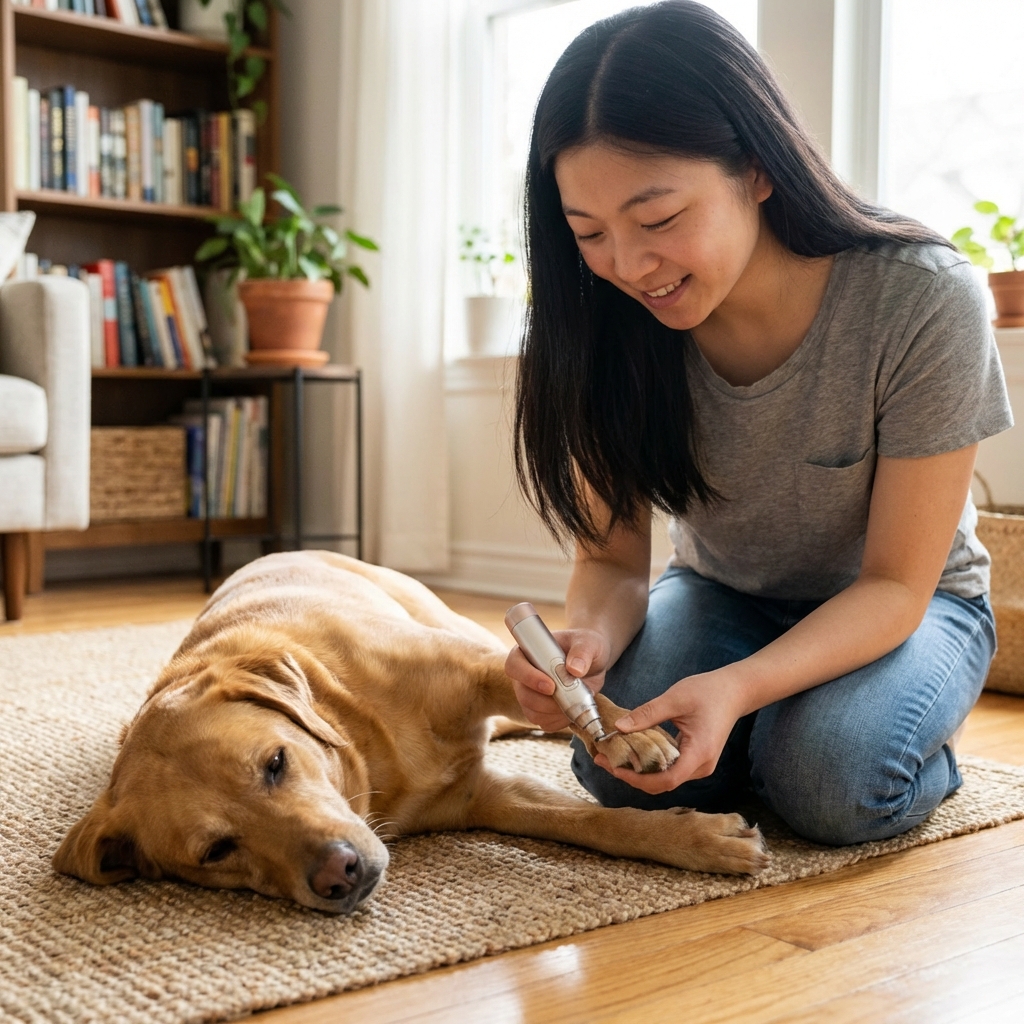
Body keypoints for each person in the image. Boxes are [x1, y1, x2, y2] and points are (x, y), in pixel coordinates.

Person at [504, 0, 1013, 846]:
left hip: (907, 606)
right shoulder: (604, 322)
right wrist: (583, 649)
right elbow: (612, 560)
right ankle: (771, 736)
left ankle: (887, 736)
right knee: (622, 772)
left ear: (757, 168)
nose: (629, 266)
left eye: (659, 220)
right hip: (722, 593)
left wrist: (740, 690)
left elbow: (895, 584)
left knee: (831, 782)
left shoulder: (923, 299)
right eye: (588, 232)